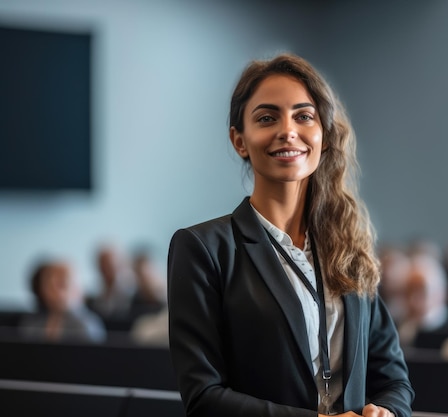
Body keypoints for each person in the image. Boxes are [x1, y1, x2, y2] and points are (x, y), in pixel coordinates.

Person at [167, 54, 414, 417]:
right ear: (239, 140)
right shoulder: (203, 249)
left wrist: (387, 412)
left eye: (304, 116)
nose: (288, 130)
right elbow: (204, 398)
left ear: (324, 136)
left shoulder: (348, 248)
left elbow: (394, 381)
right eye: (267, 118)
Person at [19, 260, 106, 343]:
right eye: (48, 282)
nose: (53, 289)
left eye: (61, 283)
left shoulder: (87, 326)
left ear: (77, 289)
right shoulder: (32, 323)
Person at [397, 253, 448, 350]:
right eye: (408, 290)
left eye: (421, 291)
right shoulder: (395, 327)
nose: (413, 299)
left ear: (441, 293)